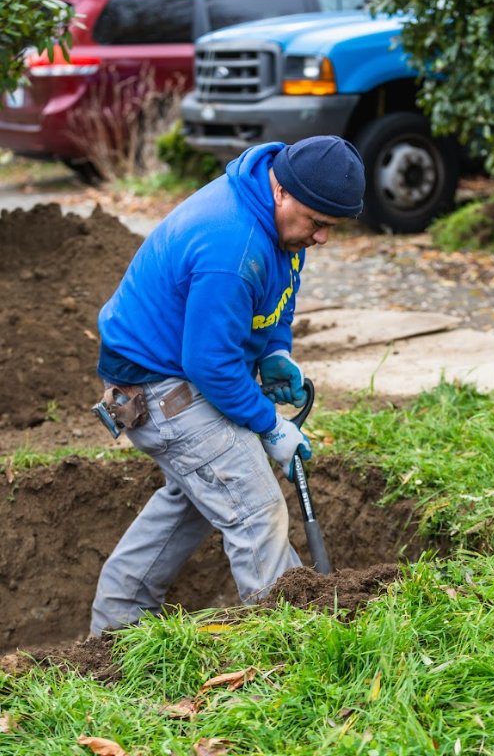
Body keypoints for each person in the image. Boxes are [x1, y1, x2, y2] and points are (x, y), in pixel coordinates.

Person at [90, 135, 365, 635]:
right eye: (317, 224)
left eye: (332, 227)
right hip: (156, 385)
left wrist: (275, 349)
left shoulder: (279, 221)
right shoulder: (232, 244)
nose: (322, 238)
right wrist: (269, 425)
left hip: (181, 370)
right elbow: (211, 364)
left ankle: (116, 628)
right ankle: (290, 650)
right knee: (257, 509)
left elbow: (282, 283)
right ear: (281, 191)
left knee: (200, 495)